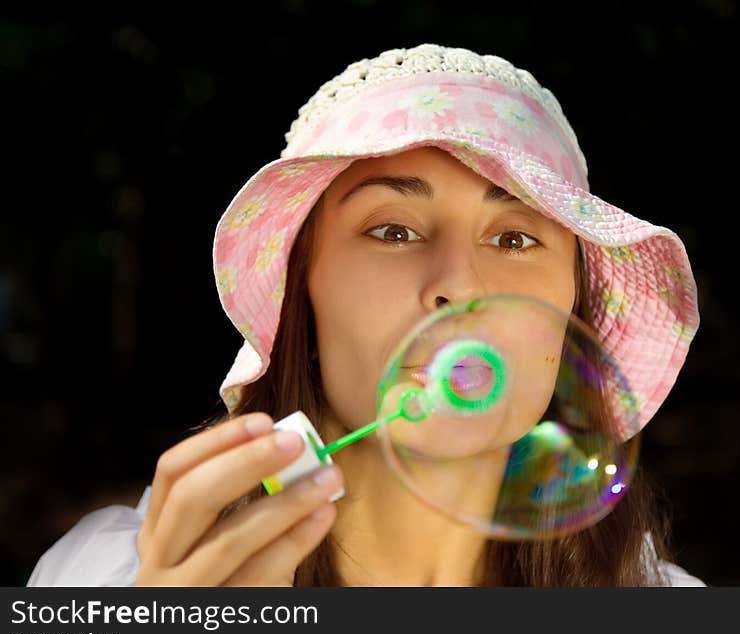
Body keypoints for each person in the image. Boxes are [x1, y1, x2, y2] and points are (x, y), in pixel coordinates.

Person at [27, 43, 704, 587]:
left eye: (515, 239)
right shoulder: (110, 584)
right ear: (300, 296)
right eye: (393, 230)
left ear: (569, 314)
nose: (458, 287)